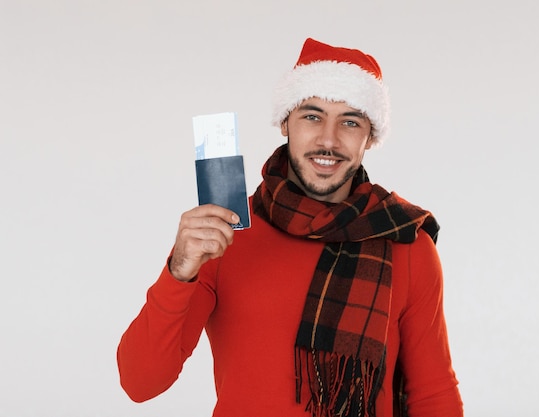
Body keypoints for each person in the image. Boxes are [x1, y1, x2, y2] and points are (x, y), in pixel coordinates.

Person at [117, 38, 463, 417]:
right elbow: (140, 383)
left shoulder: (405, 242)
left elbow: (433, 395)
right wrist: (179, 273)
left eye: (350, 122)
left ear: (370, 137)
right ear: (285, 122)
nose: (328, 140)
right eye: (312, 116)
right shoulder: (224, 232)